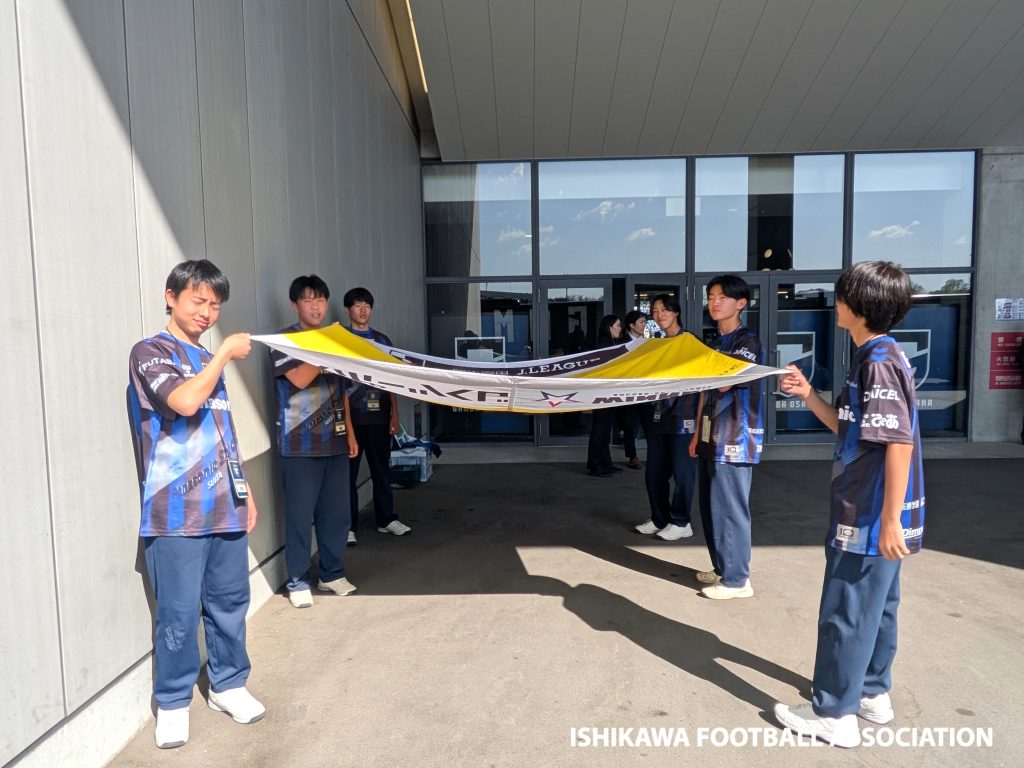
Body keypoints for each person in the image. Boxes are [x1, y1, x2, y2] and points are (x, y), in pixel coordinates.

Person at [773, 261, 924, 748]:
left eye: (840, 297)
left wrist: (889, 520)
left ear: (858, 306)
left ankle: (834, 713)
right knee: (878, 607)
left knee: (847, 610)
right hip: (874, 509)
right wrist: (808, 394)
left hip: (867, 511)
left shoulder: (878, 361)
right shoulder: (879, 355)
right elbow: (852, 428)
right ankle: (872, 692)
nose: (834, 304)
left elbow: (897, 442)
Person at [127, 260, 264, 750]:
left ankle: (228, 684)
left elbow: (222, 431)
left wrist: (245, 492)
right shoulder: (150, 352)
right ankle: (172, 701)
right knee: (179, 612)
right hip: (175, 512)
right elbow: (184, 403)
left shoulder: (207, 359)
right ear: (171, 297)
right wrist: (224, 353)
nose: (207, 312)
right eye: (198, 301)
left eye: (215, 305)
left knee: (230, 603)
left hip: (225, 504)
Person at [270, 275, 360, 609]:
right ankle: (297, 580)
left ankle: (332, 574)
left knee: (336, 515)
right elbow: (299, 378)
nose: (316, 307)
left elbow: (343, 391)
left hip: (334, 443)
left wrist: (351, 434)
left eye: (320, 300)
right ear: (295, 305)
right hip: (299, 446)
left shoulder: (333, 341)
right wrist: (328, 345)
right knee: (299, 518)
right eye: (308, 300)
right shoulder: (284, 341)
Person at [689, 275, 765, 598]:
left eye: (721, 297)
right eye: (711, 297)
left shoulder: (747, 342)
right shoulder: (715, 343)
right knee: (711, 508)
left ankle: (737, 580)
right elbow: (703, 393)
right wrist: (697, 433)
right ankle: (722, 567)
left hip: (735, 438)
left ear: (741, 303)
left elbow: (723, 383)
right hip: (711, 436)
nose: (714, 302)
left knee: (731, 509)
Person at [343, 287, 410, 539]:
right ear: (348, 309)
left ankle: (386, 519)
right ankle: (348, 527)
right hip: (350, 418)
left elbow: (391, 379)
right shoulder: (340, 339)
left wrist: (395, 413)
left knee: (381, 469)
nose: (363, 310)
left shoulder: (382, 341)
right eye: (358, 305)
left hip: (379, 416)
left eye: (367, 306)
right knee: (347, 475)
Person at [633, 295, 699, 541]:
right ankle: (660, 518)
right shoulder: (657, 344)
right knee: (654, 473)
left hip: (684, 418)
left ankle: (681, 522)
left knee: (683, 474)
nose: (659, 315)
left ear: (676, 312)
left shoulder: (690, 341)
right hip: (660, 416)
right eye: (655, 311)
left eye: (664, 309)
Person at [586, 314, 624, 477]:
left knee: (604, 429)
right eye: (618, 325)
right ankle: (595, 465)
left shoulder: (610, 344)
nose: (620, 329)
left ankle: (605, 463)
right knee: (600, 430)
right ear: (610, 327)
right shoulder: (604, 346)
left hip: (607, 392)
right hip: (602, 393)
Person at [616, 310, 647, 470]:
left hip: (646, 389)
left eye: (644, 322)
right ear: (631, 325)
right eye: (641, 322)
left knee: (648, 423)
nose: (644, 325)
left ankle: (654, 453)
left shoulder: (648, 343)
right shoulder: (622, 343)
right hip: (628, 389)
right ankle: (632, 456)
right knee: (629, 424)